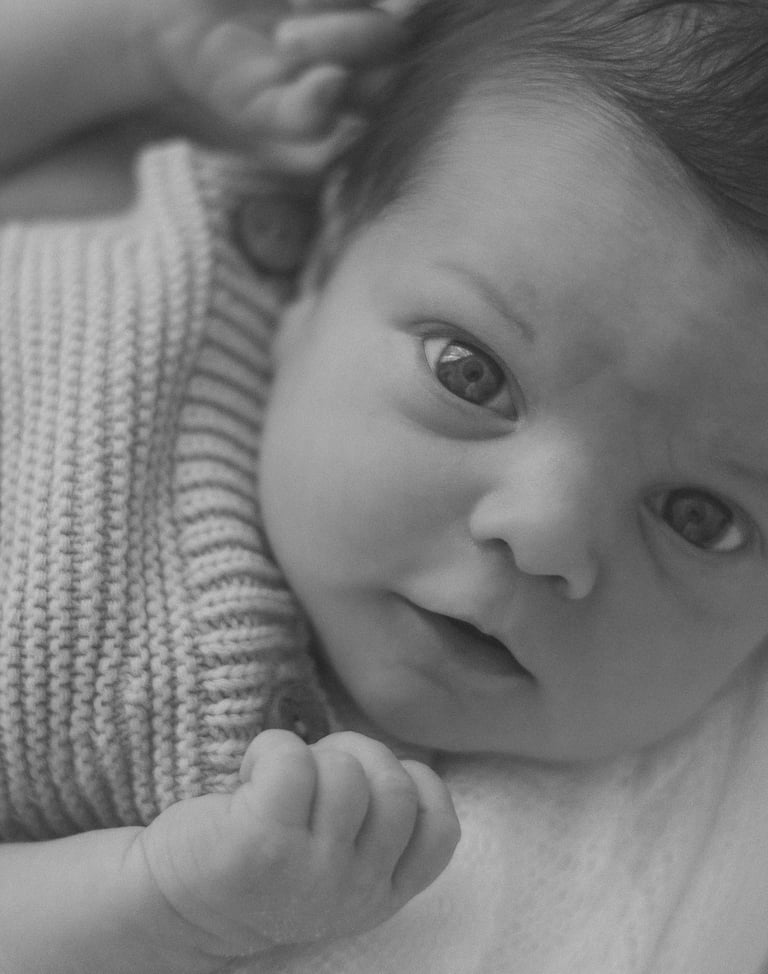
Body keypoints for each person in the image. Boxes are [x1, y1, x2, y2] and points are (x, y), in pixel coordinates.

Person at [1, 0, 768, 972]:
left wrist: (160, 898)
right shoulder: (157, 203)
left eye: (700, 518)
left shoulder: (286, 821)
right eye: (471, 374)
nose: (545, 531)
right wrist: (125, 46)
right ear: (325, 258)